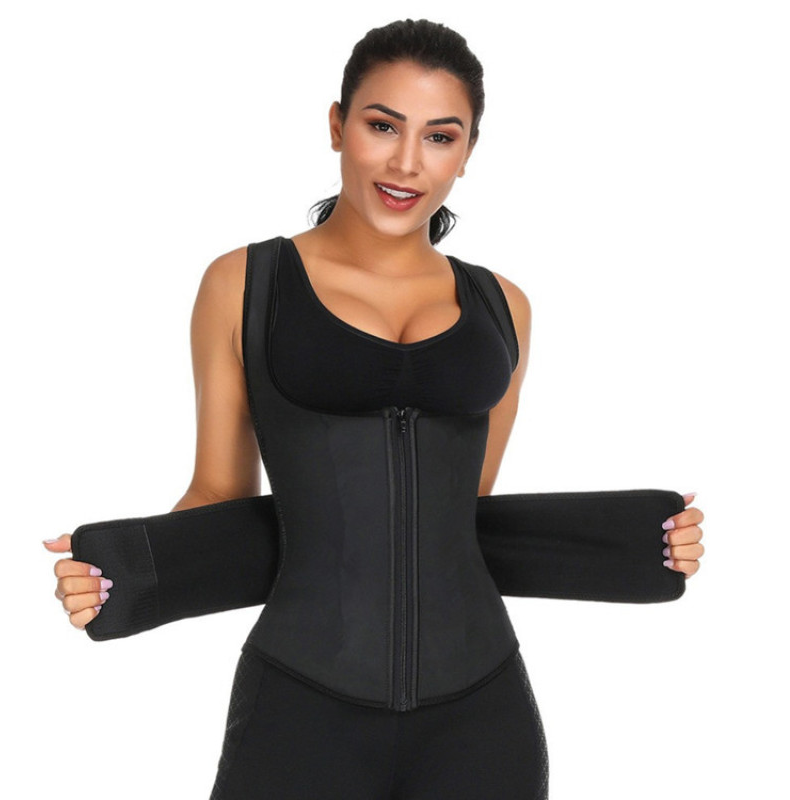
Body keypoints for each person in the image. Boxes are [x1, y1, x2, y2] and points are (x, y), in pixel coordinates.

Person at [43, 18, 705, 799]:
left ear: (467, 152)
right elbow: (220, 492)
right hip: (300, 705)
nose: (406, 162)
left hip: (481, 713)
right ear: (338, 125)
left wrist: (643, 544)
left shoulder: (504, 307)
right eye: (383, 126)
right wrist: (123, 574)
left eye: (440, 137)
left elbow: (460, 521)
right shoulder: (244, 283)